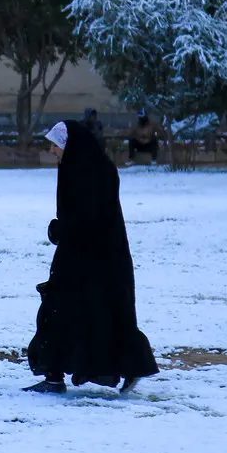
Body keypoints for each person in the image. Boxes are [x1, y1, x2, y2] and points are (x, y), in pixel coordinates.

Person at [24, 121, 159, 394]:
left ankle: (57, 375)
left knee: (65, 311)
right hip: (98, 256)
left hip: (87, 258)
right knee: (95, 314)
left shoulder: (85, 171)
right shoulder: (89, 166)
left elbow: (87, 216)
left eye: (56, 145)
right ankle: (59, 374)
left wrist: (60, 229)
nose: (52, 150)